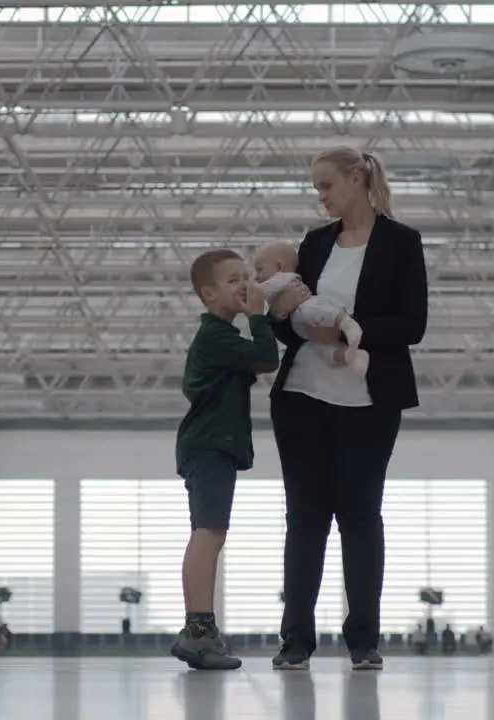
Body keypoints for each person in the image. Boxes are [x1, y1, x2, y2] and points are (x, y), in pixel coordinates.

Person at [266, 146, 428, 671]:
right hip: (300, 399)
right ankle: (296, 641)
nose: (321, 197)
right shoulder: (313, 243)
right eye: (317, 188)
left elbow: (412, 325)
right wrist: (286, 316)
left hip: (370, 400)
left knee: (360, 517)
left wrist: (344, 329)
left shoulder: (402, 242)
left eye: (327, 186)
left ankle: (363, 640)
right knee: (304, 520)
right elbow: (285, 311)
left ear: (356, 180)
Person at [169, 248, 280, 671]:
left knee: (210, 532)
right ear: (208, 293)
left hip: (210, 445)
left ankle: (200, 631)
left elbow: (253, 363)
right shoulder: (217, 337)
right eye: (233, 280)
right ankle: (198, 631)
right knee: (208, 532)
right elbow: (267, 359)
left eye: (245, 277)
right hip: (210, 445)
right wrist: (259, 316)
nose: (245, 285)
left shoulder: (220, 339)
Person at [252, 240, 368, 374]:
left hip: (308, 310)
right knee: (319, 349)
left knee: (319, 316)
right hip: (303, 328)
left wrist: (247, 288)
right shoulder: (315, 241)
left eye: (260, 269)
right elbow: (283, 330)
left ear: (279, 266)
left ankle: (347, 325)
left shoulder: (282, 278)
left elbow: (259, 292)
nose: (256, 276)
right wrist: (278, 312)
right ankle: (348, 357)